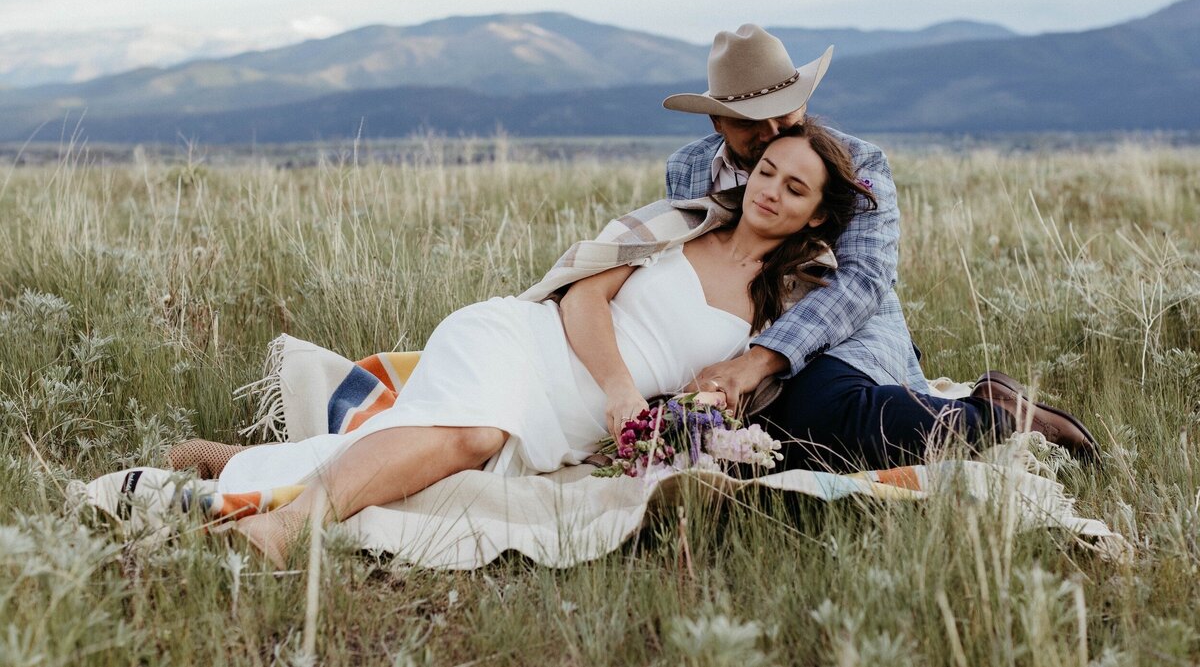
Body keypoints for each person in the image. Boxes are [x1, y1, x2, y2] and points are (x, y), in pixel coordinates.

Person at [180, 125, 874, 567]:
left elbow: (726, 394)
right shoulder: (679, 226)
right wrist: (619, 388)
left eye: (795, 186)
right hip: (526, 343)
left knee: (447, 464)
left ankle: (235, 463)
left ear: (817, 211)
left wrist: (678, 419)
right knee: (474, 432)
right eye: (768, 171)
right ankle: (290, 525)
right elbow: (583, 296)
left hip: (570, 422)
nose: (772, 191)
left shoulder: (780, 312)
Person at [661, 24, 1097, 471]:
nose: (771, 131)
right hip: (730, 332)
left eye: (783, 112)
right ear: (717, 121)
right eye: (750, 121)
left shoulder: (859, 163)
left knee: (819, 419)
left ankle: (1001, 418)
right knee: (749, 447)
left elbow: (864, 278)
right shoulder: (689, 169)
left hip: (843, 331)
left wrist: (761, 359)